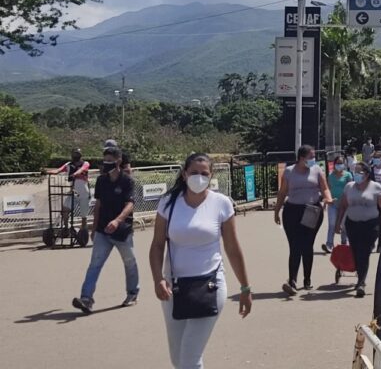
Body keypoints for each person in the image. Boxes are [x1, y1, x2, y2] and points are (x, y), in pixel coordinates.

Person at [149, 153, 251, 369]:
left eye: (204, 174)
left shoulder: (221, 203)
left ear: (211, 175)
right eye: (194, 173)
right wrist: (158, 278)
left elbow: (232, 248)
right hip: (173, 287)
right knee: (178, 358)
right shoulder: (168, 202)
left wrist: (245, 287)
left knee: (189, 357)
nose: (199, 177)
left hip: (210, 285)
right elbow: (157, 245)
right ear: (184, 174)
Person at [72, 147, 138, 314]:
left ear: (118, 161)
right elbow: (98, 205)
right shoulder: (101, 181)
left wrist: (117, 221)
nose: (106, 164)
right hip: (102, 230)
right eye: (104, 161)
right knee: (94, 265)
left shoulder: (127, 181)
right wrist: (93, 229)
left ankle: (132, 293)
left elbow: (130, 204)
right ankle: (86, 299)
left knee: (129, 263)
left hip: (122, 231)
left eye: (110, 161)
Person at [273, 145, 333, 295]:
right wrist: (276, 211)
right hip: (292, 211)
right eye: (310, 157)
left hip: (312, 210)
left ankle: (307, 279)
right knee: (294, 246)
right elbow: (282, 192)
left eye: (314, 157)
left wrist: (328, 198)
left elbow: (324, 187)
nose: (313, 160)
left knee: (307, 245)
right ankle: (292, 280)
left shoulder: (317, 170)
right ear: (301, 158)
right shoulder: (289, 172)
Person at [335, 162, 381, 298]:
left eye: (359, 172)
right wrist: (338, 223)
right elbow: (343, 206)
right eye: (355, 171)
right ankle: (360, 276)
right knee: (356, 251)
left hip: (370, 225)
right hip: (352, 224)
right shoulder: (349, 187)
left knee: (365, 252)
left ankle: (361, 282)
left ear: (367, 174)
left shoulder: (376, 187)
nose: (356, 174)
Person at [48, 148, 91, 234]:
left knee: (84, 215)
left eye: (77, 154)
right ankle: (66, 228)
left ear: (80, 155)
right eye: (74, 154)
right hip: (73, 192)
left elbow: (81, 170)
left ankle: (83, 232)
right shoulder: (68, 164)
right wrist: (46, 172)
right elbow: (58, 170)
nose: (76, 156)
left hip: (83, 192)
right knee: (64, 210)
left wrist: (74, 175)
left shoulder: (85, 163)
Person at [322, 156, 353, 254]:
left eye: (341, 163)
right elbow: (327, 189)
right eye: (338, 163)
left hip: (345, 204)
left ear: (344, 164)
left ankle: (345, 244)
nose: (339, 165)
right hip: (333, 203)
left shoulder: (348, 175)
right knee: (332, 224)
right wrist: (327, 200)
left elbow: (351, 188)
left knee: (344, 225)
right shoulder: (330, 176)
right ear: (334, 164)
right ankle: (329, 245)